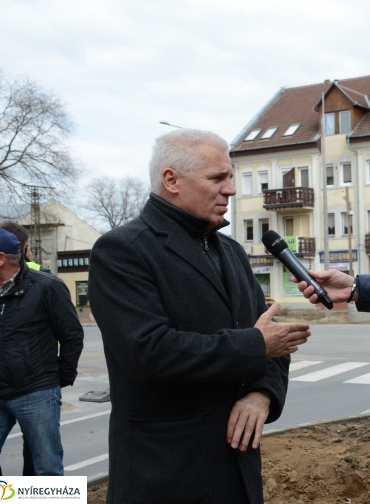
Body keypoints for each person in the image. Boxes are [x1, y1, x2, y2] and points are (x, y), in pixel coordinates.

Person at [88, 129, 311, 504]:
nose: (231, 189)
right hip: (167, 472)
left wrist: (262, 393)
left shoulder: (232, 252)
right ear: (171, 180)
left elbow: (272, 343)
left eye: (230, 177)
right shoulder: (122, 251)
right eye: (217, 178)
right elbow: (149, 351)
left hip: (236, 469)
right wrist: (256, 345)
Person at [0, 228, 84, 476]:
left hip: (36, 391)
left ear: (0, 258)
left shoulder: (47, 287)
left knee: (47, 467)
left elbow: (71, 336)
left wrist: (59, 378)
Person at [0, 221, 45, 476]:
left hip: (31, 380)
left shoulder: (41, 282)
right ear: (25, 248)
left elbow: (70, 333)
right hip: (35, 378)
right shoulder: (45, 277)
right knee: (38, 455)